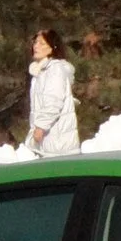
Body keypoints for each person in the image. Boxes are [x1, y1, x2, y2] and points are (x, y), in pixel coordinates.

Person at [24, 28, 79, 156]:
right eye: (35, 42)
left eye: (42, 43)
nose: (36, 46)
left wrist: (41, 127)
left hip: (58, 146)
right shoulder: (40, 71)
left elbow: (53, 102)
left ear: (52, 48)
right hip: (48, 143)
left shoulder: (55, 70)